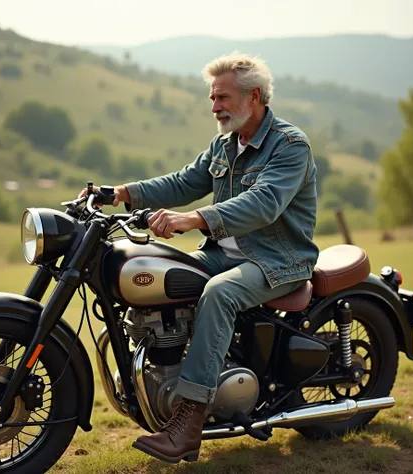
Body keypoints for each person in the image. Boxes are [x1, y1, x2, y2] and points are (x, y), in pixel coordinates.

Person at [81, 52, 319, 464]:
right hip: (223, 254)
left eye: (222, 98)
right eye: (212, 98)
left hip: (277, 260)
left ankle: (188, 424)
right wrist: (121, 193)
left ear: (255, 96)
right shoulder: (224, 145)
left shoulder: (289, 144)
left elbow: (264, 203)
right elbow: (186, 181)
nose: (214, 107)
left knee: (219, 294)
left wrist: (195, 218)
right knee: (161, 277)